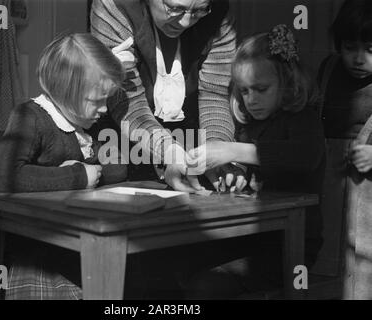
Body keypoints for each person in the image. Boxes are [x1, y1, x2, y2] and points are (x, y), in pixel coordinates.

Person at [188, 25, 326, 297]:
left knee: (207, 285)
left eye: (261, 89)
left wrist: (236, 151)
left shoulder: (302, 118)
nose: (251, 100)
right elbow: (251, 168)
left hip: (290, 247)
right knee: (177, 262)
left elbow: (304, 157)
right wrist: (235, 171)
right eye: (245, 91)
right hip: (249, 237)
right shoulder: (252, 125)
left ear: (286, 82)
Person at [0, 33, 127, 299]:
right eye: (97, 101)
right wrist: (75, 176)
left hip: (77, 239)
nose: (104, 109)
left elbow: (119, 167)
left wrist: (89, 171)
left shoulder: (92, 123)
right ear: (67, 92)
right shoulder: (29, 116)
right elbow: (6, 176)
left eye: (107, 100)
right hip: (33, 244)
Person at [90, 0, 237, 193]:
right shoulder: (114, 6)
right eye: (175, 8)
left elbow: (214, 93)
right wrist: (170, 152)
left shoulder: (219, 14)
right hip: (120, 141)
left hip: (188, 137)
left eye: (199, 10)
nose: (185, 21)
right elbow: (129, 102)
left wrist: (215, 153)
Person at [317, 0, 372, 299]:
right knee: (322, 262)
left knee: (361, 269)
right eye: (351, 47)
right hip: (327, 185)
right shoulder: (327, 71)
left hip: (367, 197)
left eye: (371, 50)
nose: (359, 59)